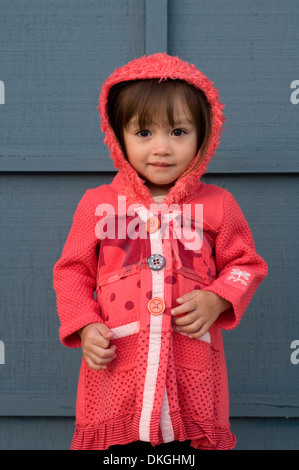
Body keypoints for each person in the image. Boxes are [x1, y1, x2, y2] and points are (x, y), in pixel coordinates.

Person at [53, 53, 268, 450]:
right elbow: (72, 272)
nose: (162, 148)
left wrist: (219, 298)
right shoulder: (98, 204)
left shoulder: (218, 204)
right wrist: (84, 325)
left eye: (179, 132)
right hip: (117, 367)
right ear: (118, 136)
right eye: (144, 133)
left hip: (191, 371)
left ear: (205, 134)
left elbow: (246, 264)